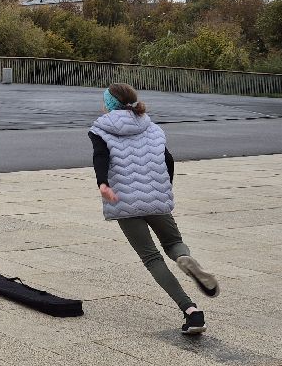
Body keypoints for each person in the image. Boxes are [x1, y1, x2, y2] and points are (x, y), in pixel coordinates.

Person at [91, 82, 219, 336]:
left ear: (109, 104)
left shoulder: (101, 128)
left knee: (151, 258)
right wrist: (163, 188)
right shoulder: (152, 128)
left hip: (124, 201)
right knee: (174, 244)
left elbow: (101, 157)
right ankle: (184, 258)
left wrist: (103, 183)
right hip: (156, 198)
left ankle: (191, 310)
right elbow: (168, 161)